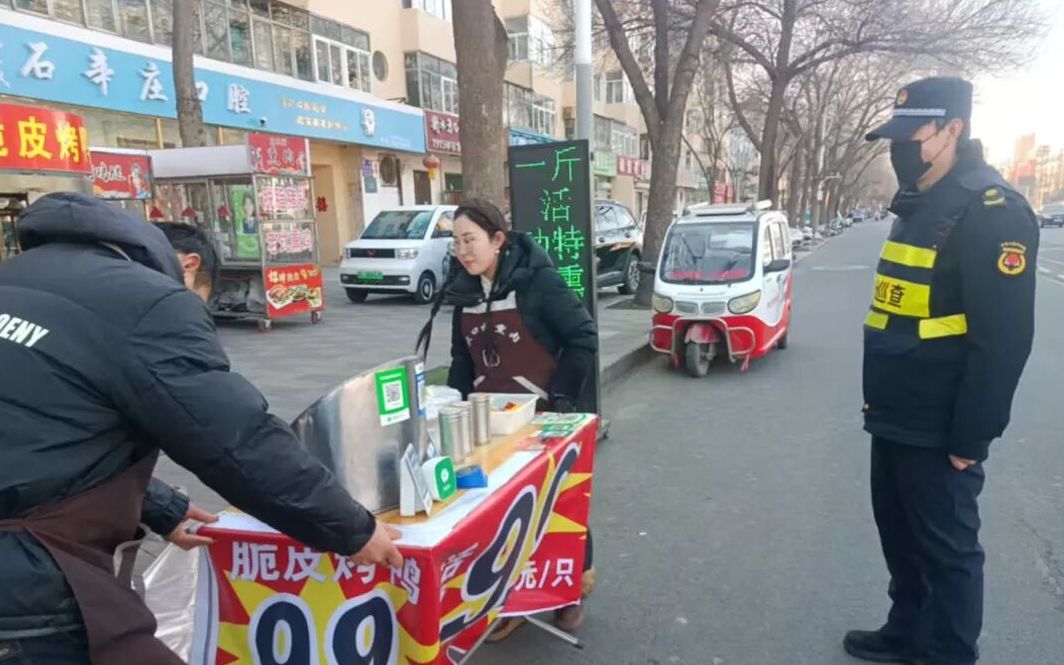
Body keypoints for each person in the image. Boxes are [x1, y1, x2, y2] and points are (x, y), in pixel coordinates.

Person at [0, 193, 402, 665]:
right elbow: (236, 440)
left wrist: (162, 506)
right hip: (29, 584)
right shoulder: (147, 301)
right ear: (187, 270)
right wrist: (352, 529)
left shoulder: (14, 279)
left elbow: (42, 432)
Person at [846, 78, 1038, 665]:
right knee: (900, 535)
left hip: (940, 422)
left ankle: (948, 653)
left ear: (954, 129)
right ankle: (906, 629)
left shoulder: (991, 210)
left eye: (914, 136)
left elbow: (1003, 341)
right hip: (893, 409)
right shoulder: (920, 201)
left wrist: (971, 438)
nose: (900, 149)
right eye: (895, 137)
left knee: (948, 551)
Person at [416, 198, 598, 637]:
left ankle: (572, 587)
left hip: (542, 416)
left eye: (470, 240)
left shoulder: (539, 282)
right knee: (498, 510)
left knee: (556, 503)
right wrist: (454, 408)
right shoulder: (464, 291)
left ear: (497, 239)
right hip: (488, 423)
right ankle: (508, 598)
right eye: (456, 242)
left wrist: (561, 401)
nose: (462, 251)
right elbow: (462, 358)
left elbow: (582, 337)